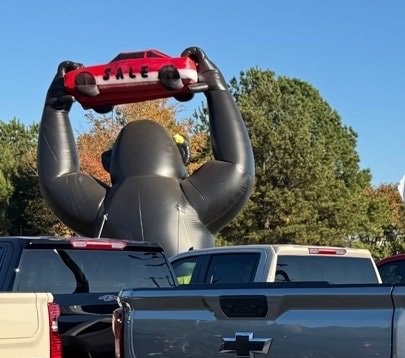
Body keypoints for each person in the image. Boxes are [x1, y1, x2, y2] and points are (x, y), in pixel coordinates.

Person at [38, 47, 255, 255]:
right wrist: (218, 91)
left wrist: (55, 108)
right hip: (187, 292)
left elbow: (57, 177)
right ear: (183, 154)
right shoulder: (194, 199)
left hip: (115, 291)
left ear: (108, 161)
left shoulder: (101, 207)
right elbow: (236, 166)